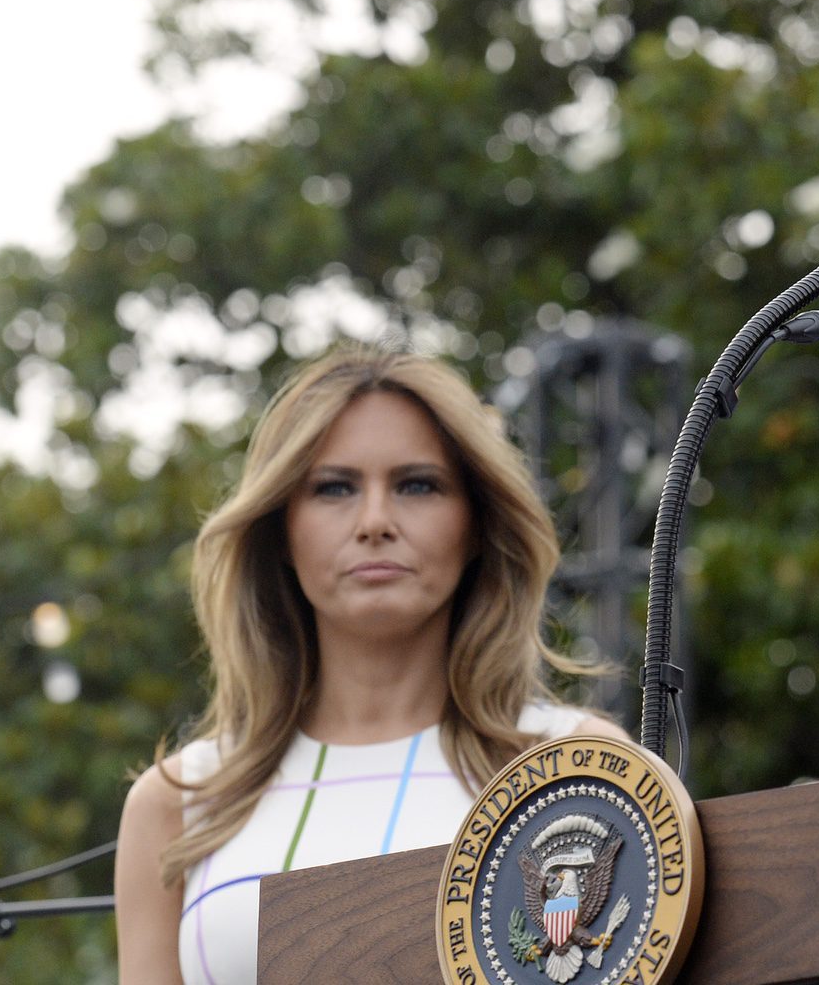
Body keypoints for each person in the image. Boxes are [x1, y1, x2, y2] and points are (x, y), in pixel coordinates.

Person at [114, 346, 626, 985]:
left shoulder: (576, 764)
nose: (376, 521)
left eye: (418, 485)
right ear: (280, 531)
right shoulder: (178, 804)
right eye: (334, 488)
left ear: (476, 525)